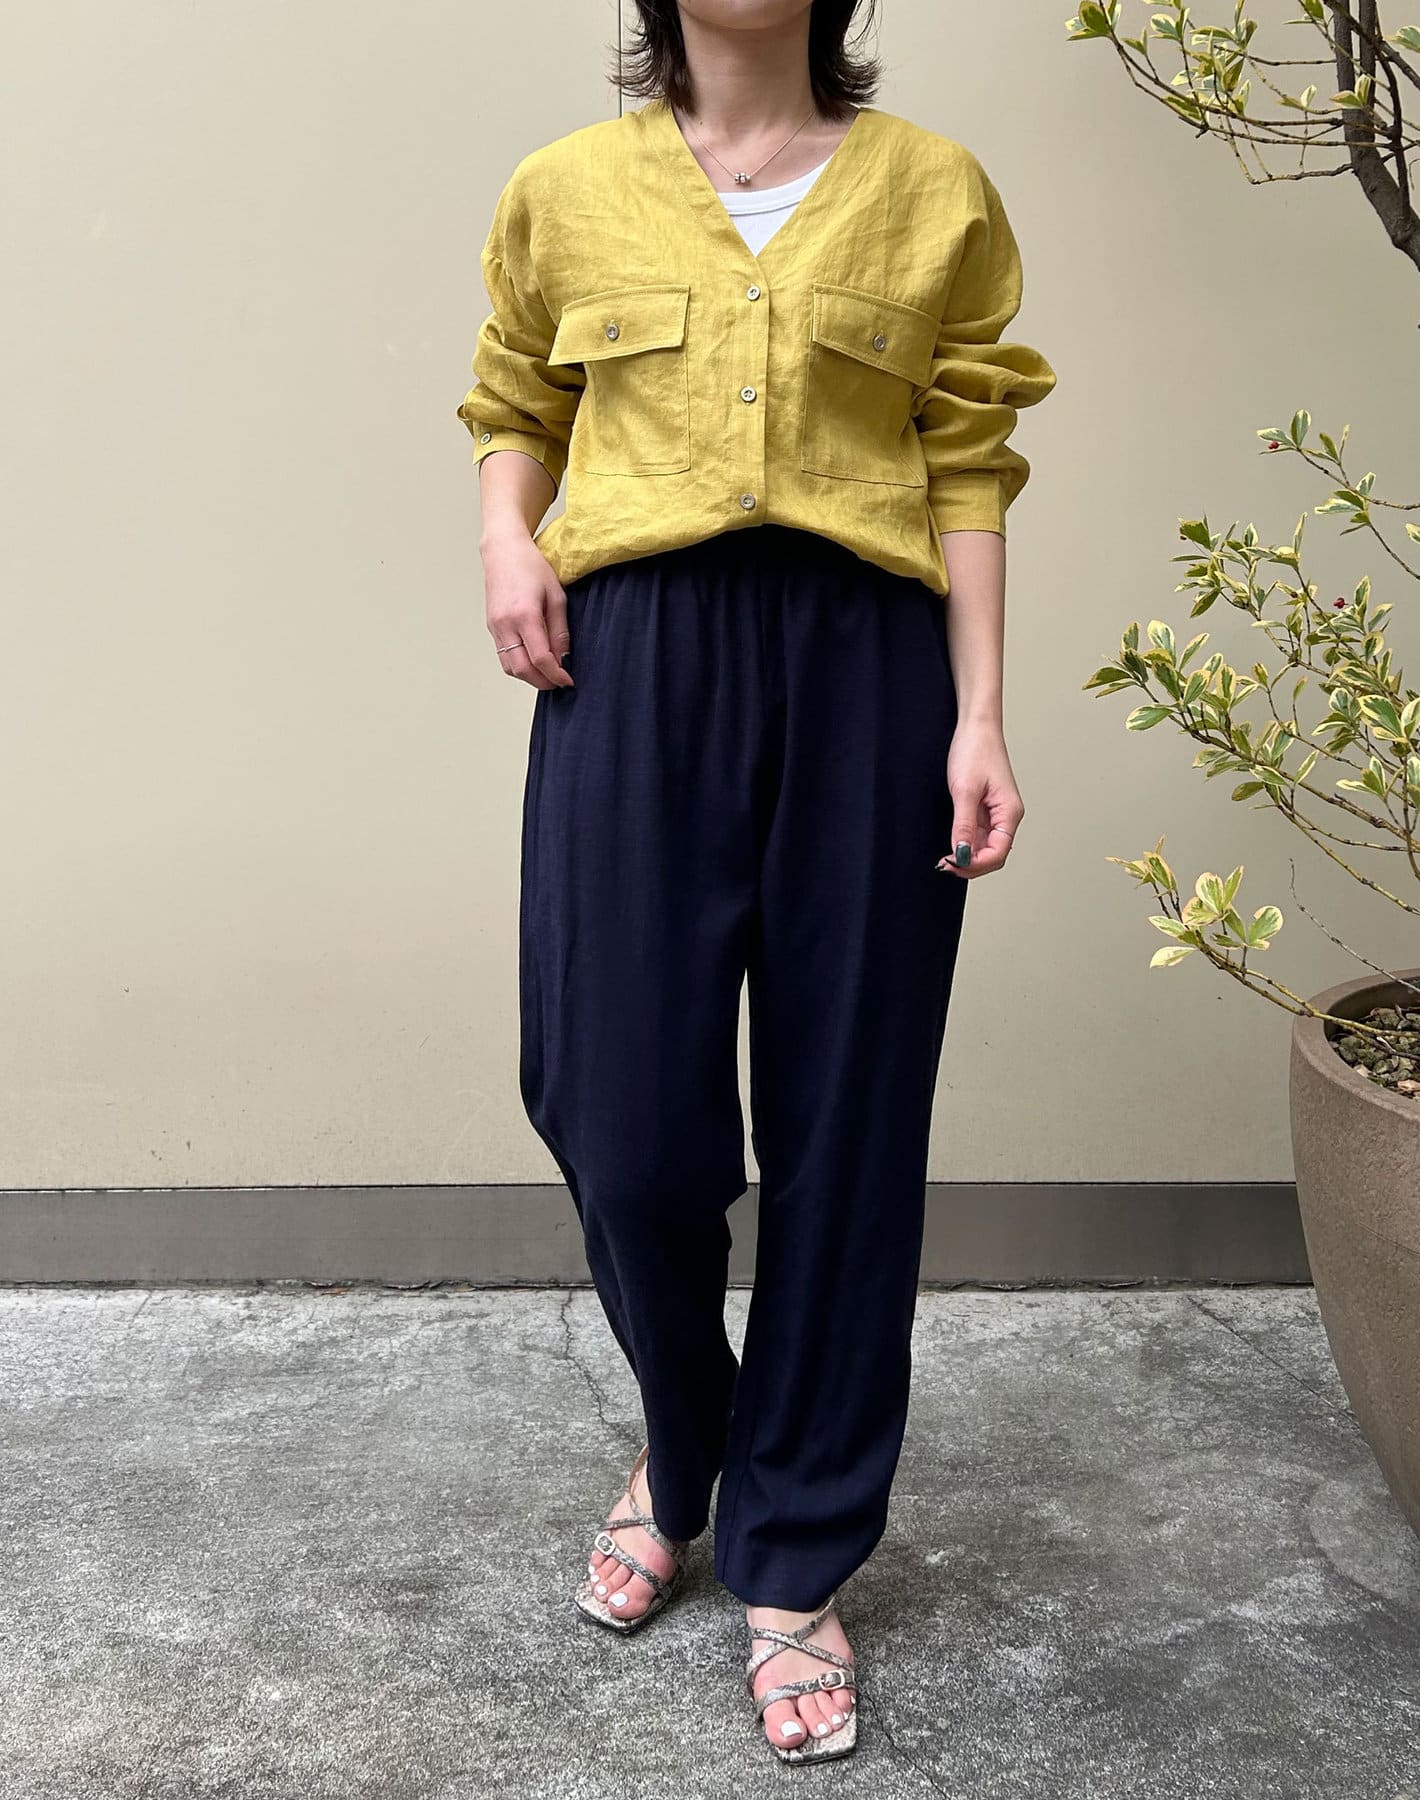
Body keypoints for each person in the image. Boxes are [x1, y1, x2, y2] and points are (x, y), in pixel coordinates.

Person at [455, 0, 1056, 1767]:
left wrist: (980, 716)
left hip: (870, 661)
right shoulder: (565, 187)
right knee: (618, 1110)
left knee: (848, 1117)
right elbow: (515, 394)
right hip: (635, 654)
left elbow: (968, 460)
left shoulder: (935, 190)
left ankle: (793, 1556)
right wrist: (505, 540)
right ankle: (691, 1432)